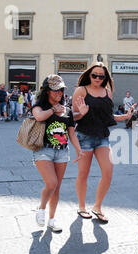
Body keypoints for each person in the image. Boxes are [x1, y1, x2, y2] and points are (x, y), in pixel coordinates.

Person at [72, 61, 133, 222]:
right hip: (84, 136)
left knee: (108, 171)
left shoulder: (107, 92)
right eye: (94, 75)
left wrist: (125, 117)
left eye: (101, 76)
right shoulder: (81, 90)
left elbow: (108, 117)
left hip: (102, 137)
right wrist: (82, 113)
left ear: (105, 77)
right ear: (89, 75)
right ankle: (82, 206)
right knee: (83, 174)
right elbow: (72, 116)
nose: (98, 78)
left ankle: (97, 206)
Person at [31, 74, 84, 233]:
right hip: (43, 150)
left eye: (61, 90)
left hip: (62, 152)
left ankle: (52, 220)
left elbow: (71, 133)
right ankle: (41, 209)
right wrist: (54, 109)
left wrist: (79, 149)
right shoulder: (39, 107)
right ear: (47, 91)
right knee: (51, 183)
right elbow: (39, 116)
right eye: (55, 90)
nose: (59, 94)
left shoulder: (66, 110)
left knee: (57, 188)